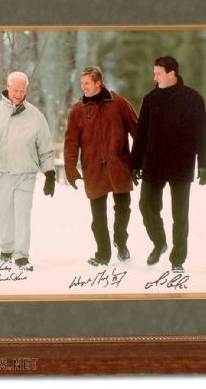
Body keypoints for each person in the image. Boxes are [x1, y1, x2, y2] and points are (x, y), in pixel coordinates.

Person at [130, 56, 206, 273]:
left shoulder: (193, 99)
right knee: (146, 206)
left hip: (181, 164)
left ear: (171, 73)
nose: (154, 76)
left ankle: (177, 260)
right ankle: (159, 243)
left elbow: (202, 133)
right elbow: (141, 134)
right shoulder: (150, 99)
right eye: (154, 72)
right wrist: (135, 162)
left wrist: (205, 165)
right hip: (153, 162)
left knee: (180, 215)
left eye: (158, 73)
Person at [0, 71, 56, 271]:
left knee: (22, 215)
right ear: (7, 88)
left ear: (25, 90)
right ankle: (7, 249)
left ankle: (21, 256)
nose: (18, 94)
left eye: (21, 91)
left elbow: (45, 148)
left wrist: (50, 174)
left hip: (26, 174)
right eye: (15, 90)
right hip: (0, 174)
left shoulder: (36, 116)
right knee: (2, 214)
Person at [64, 66, 138, 266]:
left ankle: (121, 242)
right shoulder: (78, 110)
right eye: (82, 84)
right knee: (98, 217)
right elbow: (71, 142)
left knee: (123, 209)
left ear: (99, 83)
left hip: (119, 167)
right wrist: (71, 169)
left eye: (87, 83)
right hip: (94, 169)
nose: (83, 87)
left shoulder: (120, 104)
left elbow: (137, 133)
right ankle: (103, 254)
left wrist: (138, 162)